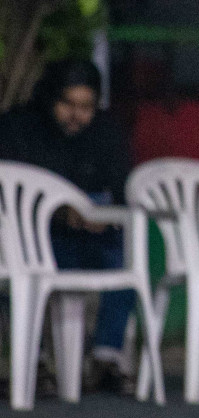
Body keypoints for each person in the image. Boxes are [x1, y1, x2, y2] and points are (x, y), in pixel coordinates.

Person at [0, 59, 136, 394]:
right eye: (68, 105)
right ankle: (33, 362)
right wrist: (60, 213)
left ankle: (107, 358)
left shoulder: (105, 132)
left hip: (92, 237)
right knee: (22, 271)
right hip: (36, 239)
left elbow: (122, 189)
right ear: (50, 99)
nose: (77, 115)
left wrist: (100, 217)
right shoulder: (19, 128)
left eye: (86, 107)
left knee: (129, 258)